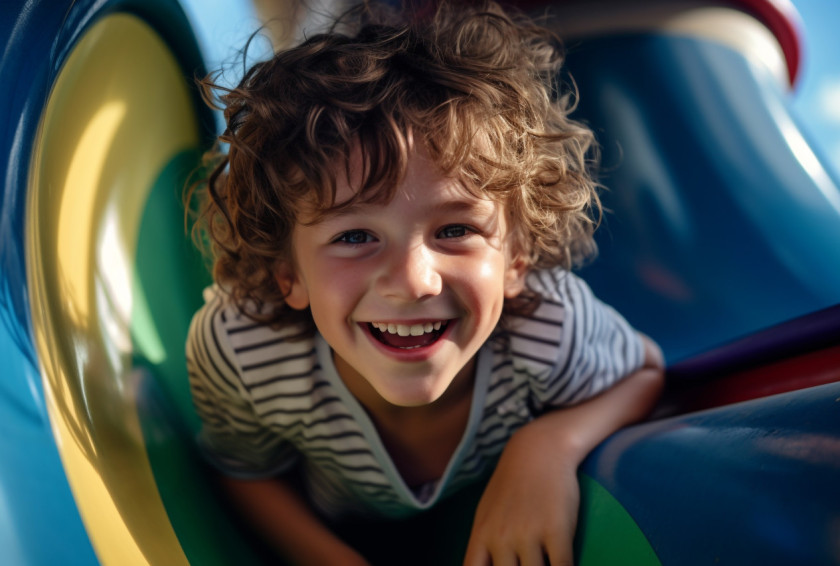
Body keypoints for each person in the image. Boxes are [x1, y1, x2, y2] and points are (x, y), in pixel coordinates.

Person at [185, 1, 665, 564]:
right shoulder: (246, 350)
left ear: (516, 260)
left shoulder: (548, 327)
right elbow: (245, 472)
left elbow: (644, 371)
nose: (413, 281)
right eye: (355, 236)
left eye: (455, 229)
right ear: (288, 273)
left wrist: (546, 450)